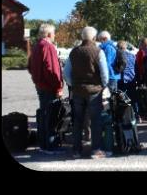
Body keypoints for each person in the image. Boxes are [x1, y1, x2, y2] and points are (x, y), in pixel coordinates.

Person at [63, 26, 109, 159]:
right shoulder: (98, 51)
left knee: (77, 120)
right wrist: (103, 86)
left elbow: (66, 73)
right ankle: (95, 150)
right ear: (94, 38)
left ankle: (76, 150)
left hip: (77, 90)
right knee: (96, 121)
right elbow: (105, 74)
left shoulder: (74, 52)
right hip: (94, 91)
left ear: (82, 37)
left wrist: (73, 84)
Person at [28, 23, 65, 155]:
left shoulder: (36, 46)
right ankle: (50, 146)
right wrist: (58, 87)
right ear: (49, 34)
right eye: (54, 33)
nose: (54, 35)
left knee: (44, 115)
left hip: (41, 86)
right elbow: (52, 70)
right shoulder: (48, 46)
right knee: (51, 117)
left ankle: (44, 144)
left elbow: (29, 66)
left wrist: (36, 79)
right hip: (49, 87)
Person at [116, 40, 139, 121]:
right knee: (133, 99)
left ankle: (124, 117)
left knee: (122, 100)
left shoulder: (117, 55)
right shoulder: (132, 56)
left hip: (121, 80)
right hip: (131, 79)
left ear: (118, 47)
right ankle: (137, 116)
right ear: (125, 47)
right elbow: (136, 68)